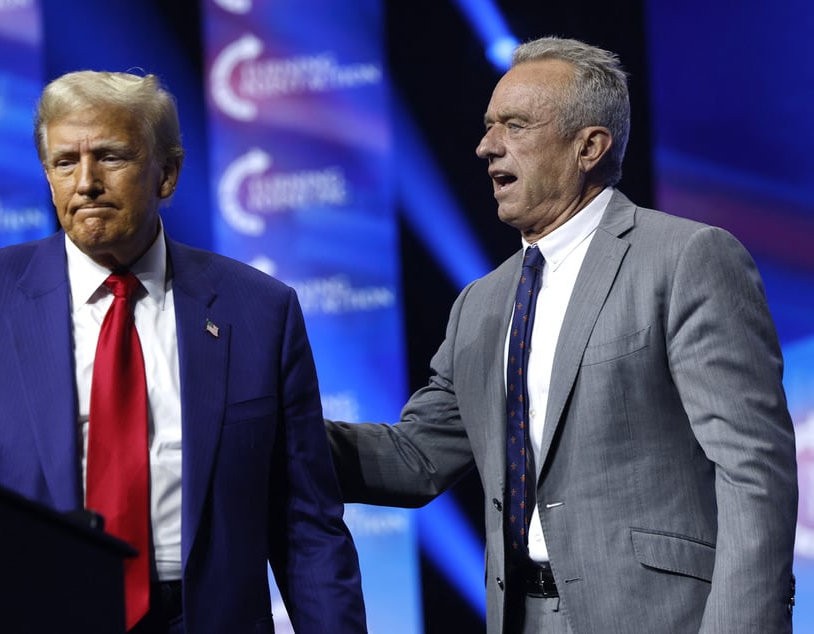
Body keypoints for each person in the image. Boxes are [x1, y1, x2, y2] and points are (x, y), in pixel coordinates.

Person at [327, 36, 797, 633]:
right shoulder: (479, 304)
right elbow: (416, 459)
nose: (486, 146)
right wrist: (268, 432)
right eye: (488, 125)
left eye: (515, 125)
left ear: (589, 147)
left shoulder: (686, 259)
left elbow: (754, 471)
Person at [0, 70, 367, 634]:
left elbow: (306, 522)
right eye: (65, 162)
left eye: (112, 157)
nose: (86, 182)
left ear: (167, 173)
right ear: (48, 177)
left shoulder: (260, 309)